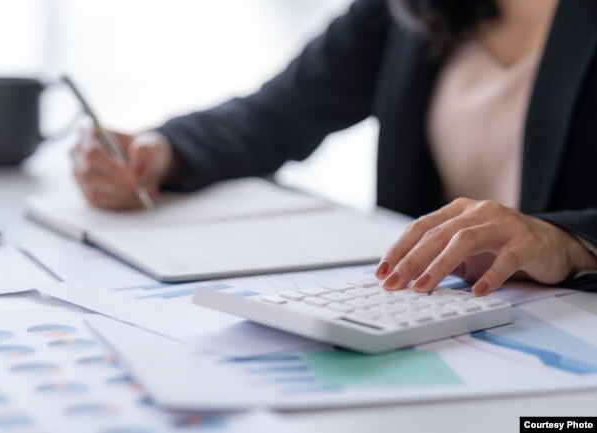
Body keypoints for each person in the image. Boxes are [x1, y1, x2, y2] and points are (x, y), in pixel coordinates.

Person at [71, 0, 597, 295]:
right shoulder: (408, 9)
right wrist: (160, 151)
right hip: (442, 323)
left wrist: (567, 241)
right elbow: (280, 112)